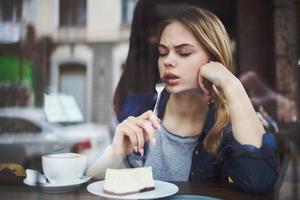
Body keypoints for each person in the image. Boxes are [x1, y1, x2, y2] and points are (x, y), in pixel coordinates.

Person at [87, 6, 278, 194]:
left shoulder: (229, 125)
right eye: (162, 53)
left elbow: (260, 182)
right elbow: (88, 186)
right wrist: (115, 151)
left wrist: (231, 83)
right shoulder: (137, 108)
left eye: (184, 53)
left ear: (214, 60)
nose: (167, 61)